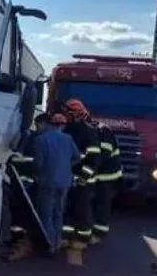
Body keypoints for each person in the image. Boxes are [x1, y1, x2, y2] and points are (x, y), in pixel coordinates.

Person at [31, 112, 81, 254]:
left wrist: (37, 175)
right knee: (58, 213)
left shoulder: (41, 140)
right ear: (62, 126)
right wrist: (66, 167)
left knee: (46, 214)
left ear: (50, 124)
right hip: (64, 182)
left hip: (47, 181)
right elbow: (77, 157)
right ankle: (57, 242)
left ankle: (49, 245)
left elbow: (38, 164)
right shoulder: (68, 139)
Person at [61, 99, 102, 246]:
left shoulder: (89, 132)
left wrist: (84, 177)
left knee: (82, 210)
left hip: (83, 180)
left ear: (76, 114)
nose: (65, 115)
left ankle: (83, 238)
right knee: (67, 209)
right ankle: (66, 237)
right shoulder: (66, 130)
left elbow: (94, 159)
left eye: (68, 113)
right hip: (68, 178)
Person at [91, 118, 122, 244]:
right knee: (96, 203)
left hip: (107, 176)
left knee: (102, 204)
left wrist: (89, 167)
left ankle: (99, 233)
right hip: (99, 174)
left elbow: (103, 155)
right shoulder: (96, 130)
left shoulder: (103, 132)